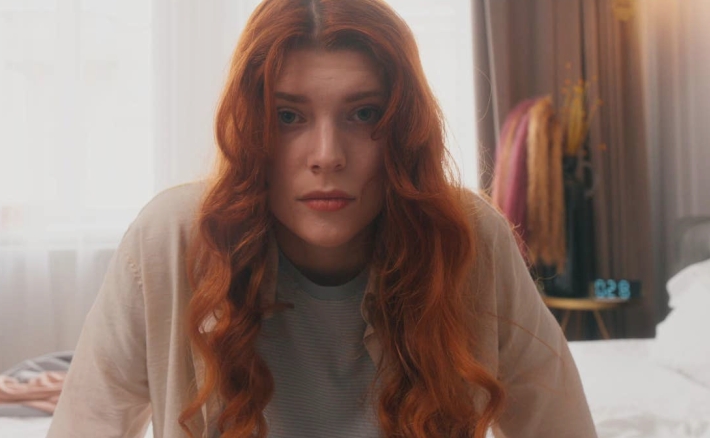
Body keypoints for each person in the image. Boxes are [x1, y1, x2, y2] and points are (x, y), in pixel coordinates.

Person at [47, 0, 597, 437]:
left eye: (364, 114)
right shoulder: (172, 240)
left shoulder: (468, 239)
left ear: (403, 129)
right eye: (289, 116)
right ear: (251, 128)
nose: (327, 156)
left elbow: (560, 425)